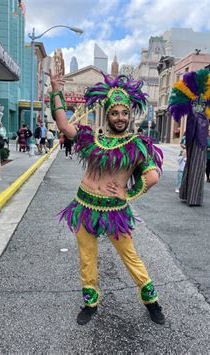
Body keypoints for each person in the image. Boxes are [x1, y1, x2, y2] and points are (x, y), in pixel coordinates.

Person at [50, 70, 165, 326]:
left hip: (115, 211)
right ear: (108, 114)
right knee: (87, 256)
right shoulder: (93, 136)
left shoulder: (137, 144)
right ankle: (90, 302)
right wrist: (55, 92)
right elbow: (63, 125)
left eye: (124, 113)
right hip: (85, 206)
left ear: (130, 114)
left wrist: (130, 192)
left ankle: (152, 301)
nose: (120, 117)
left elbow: (153, 175)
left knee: (130, 256)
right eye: (115, 113)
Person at [168, 66, 210, 206]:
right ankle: (193, 198)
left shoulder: (195, 94)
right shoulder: (203, 96)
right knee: (197, 166)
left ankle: (187, 194)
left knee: (192, 165)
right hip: (199, 133)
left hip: (193, 132)